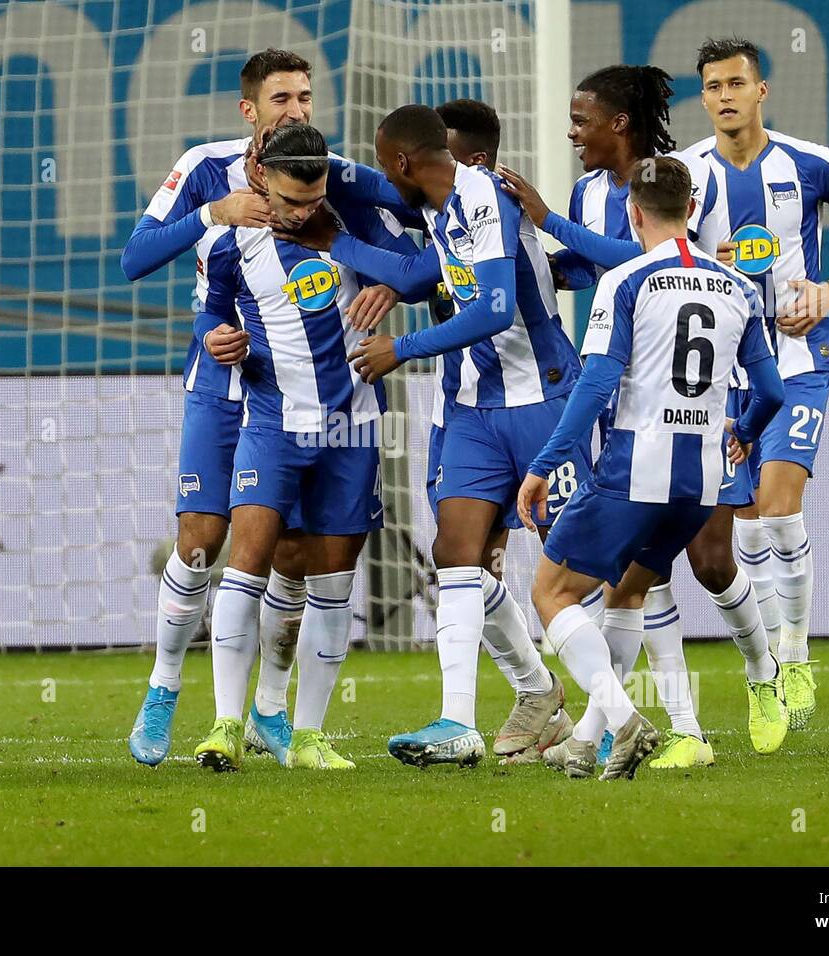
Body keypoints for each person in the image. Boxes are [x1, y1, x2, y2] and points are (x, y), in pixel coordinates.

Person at [120, 49, 397, 766]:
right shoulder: (206, 168)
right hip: (225, 385)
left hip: (314, 396)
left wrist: (392, 288)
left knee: (299, 558)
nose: (297, 111)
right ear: (250, 111)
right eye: (282, 99)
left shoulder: (331, 173)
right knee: (202, 543)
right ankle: (165, 686)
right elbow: (136, 256)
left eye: (305, 97)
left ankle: (272, 714)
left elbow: (416, 224)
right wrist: (212, 214)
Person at [500, 64, 776, 766]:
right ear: (691, 210)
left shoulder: (626, 281)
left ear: (633, 213)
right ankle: (588, 742)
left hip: (635, 465)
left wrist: (542, 467)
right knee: (628, 592)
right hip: (705, 478)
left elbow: (593, 390)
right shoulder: (738, 286)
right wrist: (742, 433)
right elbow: (769, 390)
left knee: (551, 591)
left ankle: (624, 719)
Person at [304, 105, 591, 767]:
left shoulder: (483, 196)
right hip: (471, 406)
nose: (381, 178)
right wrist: (327, 228)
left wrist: (400, 348)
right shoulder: (438, 212)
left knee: (573, 569)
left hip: (542, 398)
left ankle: (608, 713)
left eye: (384, 164)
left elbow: (493, 310)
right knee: (456, 552)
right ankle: (459, 722)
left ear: (404, 162)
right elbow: (410, 275)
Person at [190, 123, 413, 770]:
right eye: (291, 202)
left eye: (313, 199)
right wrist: (216, 338)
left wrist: (383, 279)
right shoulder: (232, 235)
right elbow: (212, 310)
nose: (302, 213)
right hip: (272, 423)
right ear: (261, 178)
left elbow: (421, 273)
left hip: (353, 426)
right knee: (246, 565)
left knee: (333, 585)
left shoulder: (346, 215)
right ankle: (226, 725)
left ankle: (309, 735)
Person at [688, 37, 829, 728]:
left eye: (735, 83)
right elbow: (658, 253)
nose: (724, 95)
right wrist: (696, 259)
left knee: (779, 509)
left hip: (798, 360)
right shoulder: (688, 174)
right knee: (745, 525)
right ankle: (772, 664)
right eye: (713, 85)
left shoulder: (810, 162)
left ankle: (797, 653)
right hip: (722, 373)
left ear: (761, 90)